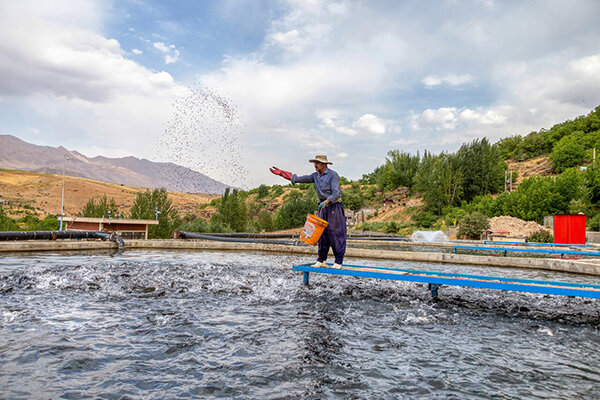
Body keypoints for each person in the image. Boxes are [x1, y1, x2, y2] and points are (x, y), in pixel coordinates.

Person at [270, 155, 346, 268]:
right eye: (314, 163)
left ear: (324, 165)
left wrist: (326, 201)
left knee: (335, 233)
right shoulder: (315, 176)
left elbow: (336, 193)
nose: (315, 165)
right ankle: (321, 260)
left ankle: (338, 262)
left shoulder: (332, 175)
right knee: (321, 233)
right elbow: (299, 178)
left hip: (334, 207)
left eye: (318, 163)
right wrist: (282, 173)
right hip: (323, 207)